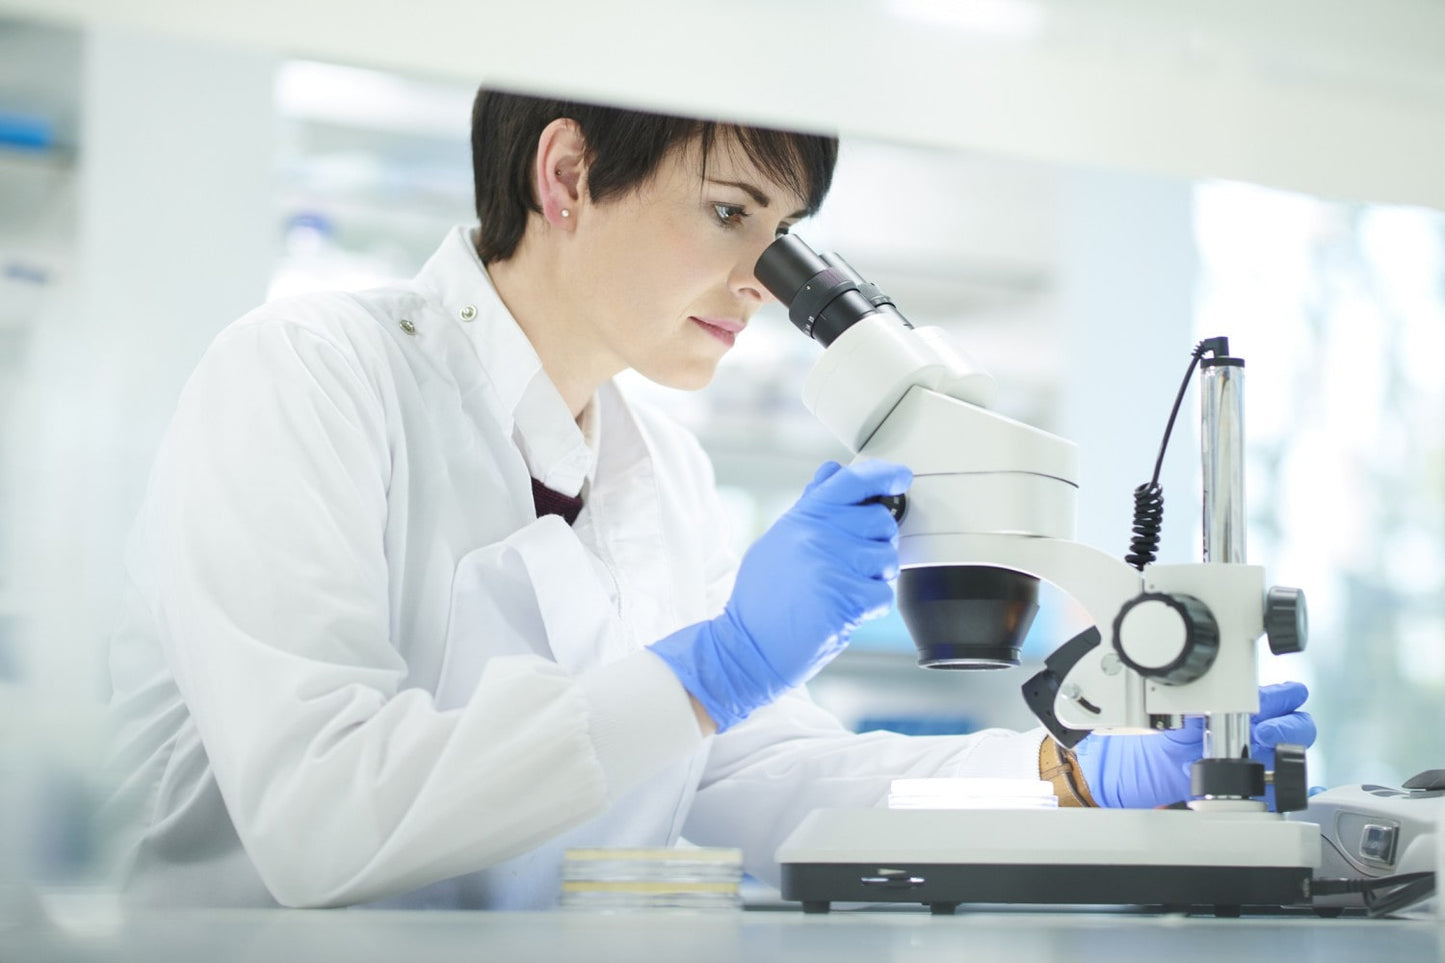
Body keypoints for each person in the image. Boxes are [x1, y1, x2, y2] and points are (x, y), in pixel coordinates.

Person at [101, 88, 1316, 910]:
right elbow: (321, 816)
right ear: (567, 175)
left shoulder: (661, 469)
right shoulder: (310, 373)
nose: (764, 283)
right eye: (732, 214)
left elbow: (736, 787)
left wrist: (1067, 781)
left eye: (788, 235)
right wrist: (712, 664)